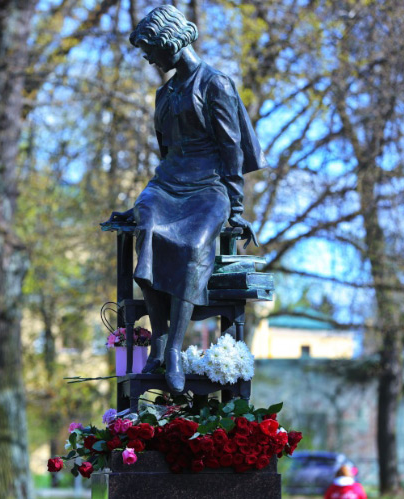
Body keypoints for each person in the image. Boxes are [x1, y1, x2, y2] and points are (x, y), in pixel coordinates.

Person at [105, 5, 267, 392]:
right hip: (167, 185)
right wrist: (142, 201)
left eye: (150, 51)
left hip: (210, 187)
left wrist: (235, 207)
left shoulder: (215, 84)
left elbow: (231, 150)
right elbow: (166, 155)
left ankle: (175, 349)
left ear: (170, 43)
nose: (149, 60)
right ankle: (159, 342)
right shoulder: (164, 93)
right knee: (147, 228)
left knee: (193, 244)